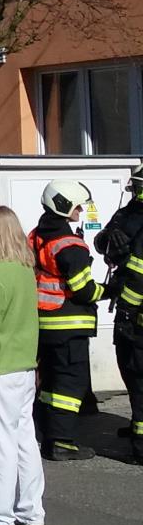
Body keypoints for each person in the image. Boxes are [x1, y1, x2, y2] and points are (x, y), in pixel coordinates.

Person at [0, 206, 45, 525]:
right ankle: (31, 509)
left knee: (1, 441)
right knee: (24, 439)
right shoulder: (24, 270)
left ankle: (2, 514)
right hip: (24, 364)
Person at [30, 179, 105, 461]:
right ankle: (62, 443)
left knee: (50, 384)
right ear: (63, 205)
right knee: (70, 387)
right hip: (69, 325)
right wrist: (109, 290)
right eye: (77, 206)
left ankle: (48, 436)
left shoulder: (37, 235)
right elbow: (84, 290)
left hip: (44, 323)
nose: (81, 211)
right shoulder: (70, 244)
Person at [95, 168, 143, 465]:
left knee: (138, 377)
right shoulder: (128, 212)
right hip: (130, 311)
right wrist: (110, 240)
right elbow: (103, 243)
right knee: (132, 373)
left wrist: (126, 308)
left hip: (134, 314)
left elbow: (138, 274)